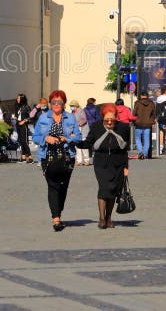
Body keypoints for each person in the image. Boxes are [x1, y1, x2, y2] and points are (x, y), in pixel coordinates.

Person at [75, 103, 130, 229]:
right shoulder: (96, 126)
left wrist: (126, 166)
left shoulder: (124, 127)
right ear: (102, 118)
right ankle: (101, 218)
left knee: (113, 190)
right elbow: (89, 142)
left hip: (118, 162)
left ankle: (109, 217)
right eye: (107, 120)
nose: (110, 122)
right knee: (104, 188)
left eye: (112, 119)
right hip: (101, 162)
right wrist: (77, 142)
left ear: (116, 117)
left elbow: (125, 149)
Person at [33, 90, 80, 231]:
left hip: (67, 156)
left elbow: (78, 137)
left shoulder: (70, 118)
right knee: (53, 185)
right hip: (47, 156)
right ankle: (56, 218)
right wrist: (45, 138)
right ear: (50, 103)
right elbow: (35, 136)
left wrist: (67, 138)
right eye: (54, 102)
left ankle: (58, 211)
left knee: (63, 186)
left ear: (64, 103)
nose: (56, 104)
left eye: (59, 102)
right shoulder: (43, 118)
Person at [132, 92, 156, 159]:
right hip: (148, 124)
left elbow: (134, 113)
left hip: (138, 123)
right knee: (146, 139)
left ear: (140, 96)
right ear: (147, 96)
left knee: (138, 138)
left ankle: (140, 152)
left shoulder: (137, 103)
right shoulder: (151, 103)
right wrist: (151, 120)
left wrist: (134, 120)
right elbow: (154, 114)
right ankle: (145, 154)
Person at [13, 93, 33, 163]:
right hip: (18, 124)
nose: (17, 99)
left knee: (24, 141)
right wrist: (15, 117)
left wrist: (24, 121)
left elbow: (31, 117)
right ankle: (23, 157)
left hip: (23, 125)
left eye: (18, 98)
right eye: (17, 98)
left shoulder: (26, 107)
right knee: (21, 141)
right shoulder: (17, 107)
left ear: (22, 99)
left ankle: (30, 157)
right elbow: (17, 116)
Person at [70, 100, 90, 166]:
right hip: (76, 131)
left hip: (83, 131)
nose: (71, 107)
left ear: (76, 106)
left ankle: (86, 160)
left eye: (72, 106)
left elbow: (84, 119)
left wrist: (78, 124)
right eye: (71, 106)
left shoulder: (81, 111)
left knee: (84, 146)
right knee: (77, 146)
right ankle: (79, 161)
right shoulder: (72, 112)